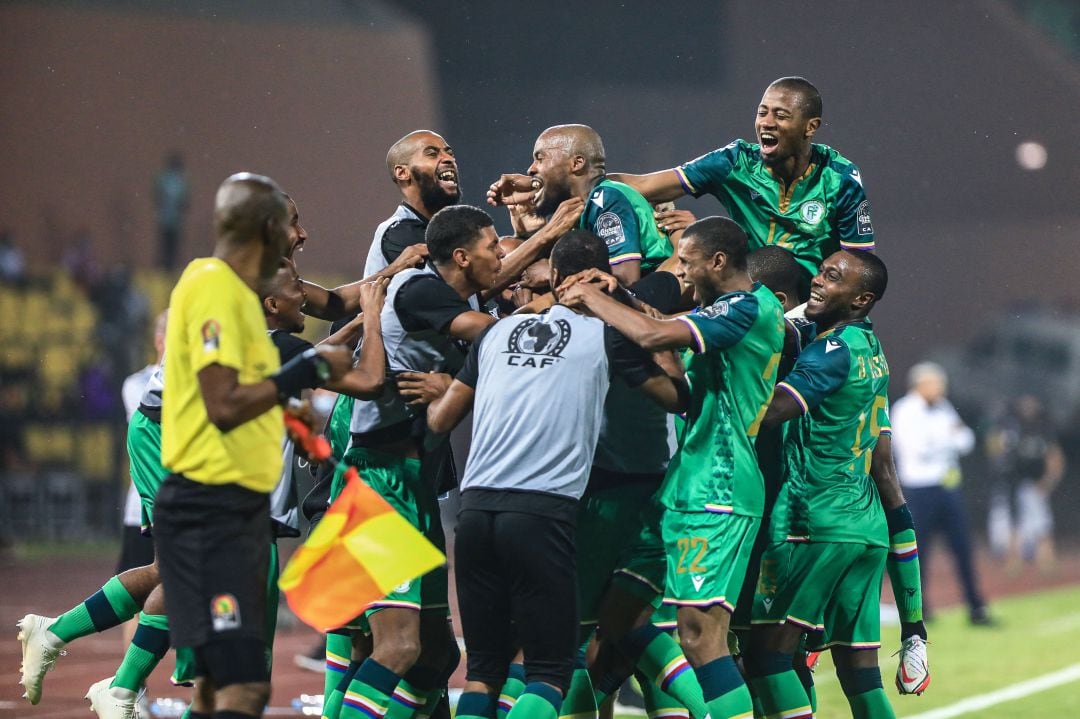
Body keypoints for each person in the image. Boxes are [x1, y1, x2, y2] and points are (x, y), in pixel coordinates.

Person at [427, 229, 687, 719]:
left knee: (483, 673)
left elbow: (440, 420)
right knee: (549, 673)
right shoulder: (609, 333)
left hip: (474, 514)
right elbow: (677, 397)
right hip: (542, 515)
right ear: (599, 277)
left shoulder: (494, 333)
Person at [560, 216, 786, 719]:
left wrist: (592, 299)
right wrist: (618, 290)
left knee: (700, 636)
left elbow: (652, 335)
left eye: (686, 262)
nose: (680, 272)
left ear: (718, 262)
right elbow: (660, 329)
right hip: (683, 486)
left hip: (718, 487)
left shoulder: (745, 307)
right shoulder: (735, 307)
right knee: (621, 613)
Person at [152, 172, 351, 719]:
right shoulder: (215, 286)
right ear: (266, 228)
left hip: (234, 508)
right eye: (293, 224)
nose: (303, 235)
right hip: (207, 508)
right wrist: (307, 369)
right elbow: (223, 403)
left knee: (219, 688)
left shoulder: (239, 299)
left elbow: (253, 393)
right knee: (244, 687)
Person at [748, 249, 897, 719]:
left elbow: (773, 412)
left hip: (816, 519)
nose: (817, 281)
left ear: (861, 299)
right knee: (860, 676)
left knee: (766, 658)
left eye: (833, 277)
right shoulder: (868, 346)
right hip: (864, 523)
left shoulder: (832, 351)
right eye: (821, 271)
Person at [606, 77, 874, 299]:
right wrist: (589, 181)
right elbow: (642, 185)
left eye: (781, 115)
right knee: (696, 257)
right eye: (762, 112)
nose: (766, 122)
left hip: (803, 304)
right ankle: (629, 307)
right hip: (743, 285)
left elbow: (858, 268)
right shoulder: (734, 162)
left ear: (810, 127)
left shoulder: (840, 178)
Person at [488, 124, 673, 286]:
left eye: (540, 158)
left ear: (576, 163)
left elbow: (626, 279)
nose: (531, 169)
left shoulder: (605, 198)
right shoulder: (583, 209)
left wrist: (552, 275)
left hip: (659, 298)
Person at [890, 362, 991, 626]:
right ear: (921, 384)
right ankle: (918, 611)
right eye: (936, 383)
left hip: (947, 487)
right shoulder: (904, 410)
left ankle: (976, 607)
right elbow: (916, 448)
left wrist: (944, 440)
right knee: (918, 551)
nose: (941, 389)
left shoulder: (943, 407)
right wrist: (947, 440)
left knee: (963, 548)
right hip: (919, 489)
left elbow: (967, 440)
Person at [986, 394, 1066, 571]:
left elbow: (1055, 458)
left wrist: (1048, 482)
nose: (1028, 408)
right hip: (1014, 483)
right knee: (1015, 523)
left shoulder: (1043, 429)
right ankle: (1014, 561)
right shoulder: (1011, 428)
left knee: (1042, 524)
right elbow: (995, 449)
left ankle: (1047, 561)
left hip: (1035, 484)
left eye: (1031, 405)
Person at [154, 152, 190, 271]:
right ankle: (167, 267)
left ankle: (167, 266)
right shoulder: (178, 181)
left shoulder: (164, 179)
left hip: (168, 218)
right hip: (171, 219)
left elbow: (157, 196)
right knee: (169, 245)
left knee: (168, 245)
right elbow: (185, 201)